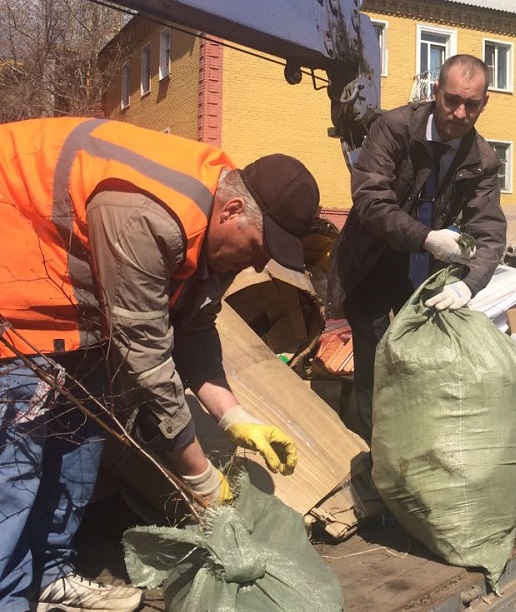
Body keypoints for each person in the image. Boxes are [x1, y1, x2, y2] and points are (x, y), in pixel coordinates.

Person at [0, 117, 320, 612]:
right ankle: (8, 594)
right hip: (15, 288)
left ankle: (48, 574)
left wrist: (232, 415)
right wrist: (200, 478)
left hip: (74, 299)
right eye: (260, 248)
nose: (259, 265)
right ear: (233, 210)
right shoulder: (147, 215)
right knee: (15, 464)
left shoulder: (219, 219)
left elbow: (193, 327)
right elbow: (145, 357)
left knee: (83, 435)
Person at [327, 54, 507, 441]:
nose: (460, 113)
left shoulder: (483, 159)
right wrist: (424, 237)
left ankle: (414, 444)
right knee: (375, 363)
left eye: (471, 104)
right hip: (372, 262)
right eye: (452, 101)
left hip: (424, 272)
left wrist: (467, 285)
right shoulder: (392, 128)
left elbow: (489, 232)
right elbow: (370, 199)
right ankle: (375, 454)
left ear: (484, 102)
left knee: (421, 362)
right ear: (436, 91)